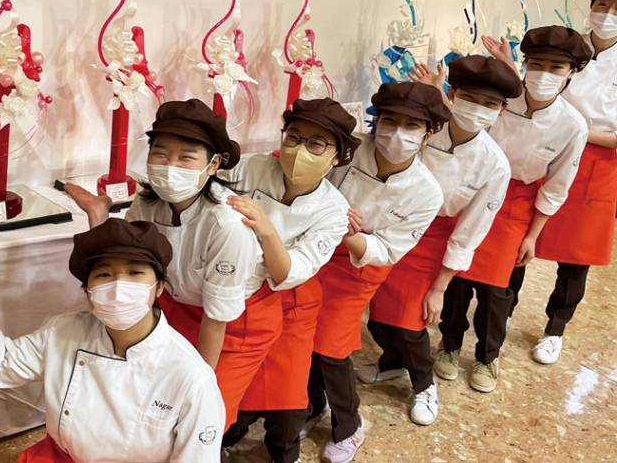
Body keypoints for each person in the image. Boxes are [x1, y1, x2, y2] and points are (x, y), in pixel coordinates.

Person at [64, 99, 279, 430]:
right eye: (161, 154)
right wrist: (98, 214)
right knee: (150, 406)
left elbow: (216, 319)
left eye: (186, 157)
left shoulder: (227, 224)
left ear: (213, 164)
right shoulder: (147, 203)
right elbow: (121, 259)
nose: (169, 166)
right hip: (176, 311)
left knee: (201, 418)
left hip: (232, 325)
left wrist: (200, 385)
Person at [0, 221, 225, 463]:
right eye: (104, 275)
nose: (118, 287)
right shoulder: (64, 332)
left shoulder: (192, 378)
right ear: (88, 292)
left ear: (159, 287)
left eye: (134, 273)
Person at [357, 55, 520, 426]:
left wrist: (440, 287)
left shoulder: (495, 164)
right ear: (453, 95)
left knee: (409, 321)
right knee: (376, 316)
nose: (477, 109)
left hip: (433, 242)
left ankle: (424, 383)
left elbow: (471, 231)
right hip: (387, 225)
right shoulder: (425, 129)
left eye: (489, 104)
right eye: (470, 98)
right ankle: (391, 363)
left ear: (502, 110)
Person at [435, 26, 591, 393]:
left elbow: (556, 186)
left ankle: (488, 356)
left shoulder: (572, 125)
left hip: (516, 207)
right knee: (456, 275)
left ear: (571, 72)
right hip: (470, 194)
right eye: (536, 64)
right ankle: (449, 344)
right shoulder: (502, 100)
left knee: (498, 289)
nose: (543, 74)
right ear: (524, 64)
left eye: (556, 67)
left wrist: (533, 235)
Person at [307, 82, 450, 463]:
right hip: (314, 250)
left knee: (330, 346)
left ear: (428, 134)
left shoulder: (427, 192)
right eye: (390, 121)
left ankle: (349, 426)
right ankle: (311, 405)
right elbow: (310, 187)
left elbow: (387, 251)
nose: (397, 133)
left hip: (361, 268)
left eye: (411, 125)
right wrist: (329, 215)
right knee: (300, 337)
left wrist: (345, 229)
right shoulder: (347, 150)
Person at [220, 98, 359, 463]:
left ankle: (285, 453)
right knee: (234, 388)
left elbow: (289, 272)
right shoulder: (250, 168)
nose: (300, 151)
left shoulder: (334, 210)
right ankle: (227, 433)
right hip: (236, 293)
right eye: (294, 138)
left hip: (292, 303)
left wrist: (267, 230)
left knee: (286, 400)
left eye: (317, 144)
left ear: (337, 157)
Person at [512, 0, 617, 364]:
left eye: (616, 10)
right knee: (519, 239)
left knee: (577, 254)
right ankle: (501, 311)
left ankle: (555, 328)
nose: (607, 15)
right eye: (602, 5)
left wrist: (579, 132)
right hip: (546, 149)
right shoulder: (568, 49)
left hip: (598, 163)